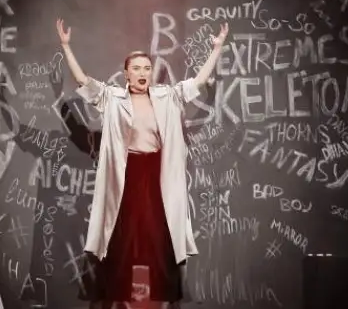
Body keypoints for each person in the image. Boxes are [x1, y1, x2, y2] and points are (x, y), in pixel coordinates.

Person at [55, 18, 229, 308]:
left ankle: (169, 298)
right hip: (127, 172)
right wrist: (65, 46)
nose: (142, 73)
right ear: (126, 73)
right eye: (136, 68)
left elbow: (198, 82)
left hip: (157, 171)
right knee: (119, 233)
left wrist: (217, 48)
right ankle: (111, 296)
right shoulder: (112, 97)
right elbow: (83, 81)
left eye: (146, 68)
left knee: (161, 232)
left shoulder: (167, 96)